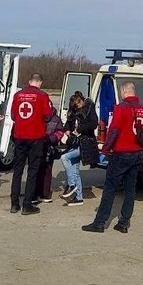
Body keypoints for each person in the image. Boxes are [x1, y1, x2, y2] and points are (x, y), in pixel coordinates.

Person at [82, 81, 143, 233]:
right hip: (137, 154)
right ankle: (124, 223)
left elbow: (114, 131)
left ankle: (99, 223)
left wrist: (105, 150)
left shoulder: (121, 108)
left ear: (124, 92)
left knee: (110, 189)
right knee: (130, 190)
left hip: (121, 154)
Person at [10, 73, 53, 214]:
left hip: (19, 136)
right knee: (33, 171)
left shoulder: (18, 95)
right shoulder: (42, 96)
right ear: (40, 82)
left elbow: (13, 116)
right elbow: (48, 115)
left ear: (29, 82)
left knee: (17, 170)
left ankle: (14, 203)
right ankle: (27, 204)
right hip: (36, 137)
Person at [59, 91, 97, 206]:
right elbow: (68, 124)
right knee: (75, 171)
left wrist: (80, 129)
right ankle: (79, 197)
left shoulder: (89, 109)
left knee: (65, 157)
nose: (76, 109)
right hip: (75, 143)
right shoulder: (73, 113)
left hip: (86, 143)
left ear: (81, 102)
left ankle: (72, 185)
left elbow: (93, 124)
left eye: (77, 106)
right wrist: (67, 130)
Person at [34, 106, 64, 203]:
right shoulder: (38, 116)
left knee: (47, 171)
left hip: (50, 148)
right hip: (38, 146)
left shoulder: (56, 119)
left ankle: (45, 194)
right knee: (37, 170)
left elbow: (60, 132)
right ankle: (35, 193)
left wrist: (51, 139)